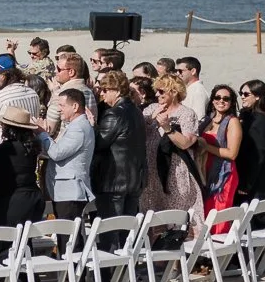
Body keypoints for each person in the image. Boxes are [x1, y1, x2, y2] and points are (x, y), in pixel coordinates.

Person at [141, 74, 203, 225]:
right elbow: (136, 134)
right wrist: (149, 120)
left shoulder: (186, 114)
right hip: (151, 170)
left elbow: (186, 143)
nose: (157, 94)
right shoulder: (151, 108)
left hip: (175, 171)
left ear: (174, 92)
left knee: (175, 215)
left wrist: (168, 128)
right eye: (156, 91)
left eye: (161, 91)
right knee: (150, 214)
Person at [92, 70, 146, 220]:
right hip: (134, 181)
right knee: (126, 233)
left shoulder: (114, 114)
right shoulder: (136, 111)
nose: (102, 94)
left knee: (111, 234)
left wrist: (93, 127)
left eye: (104, 90)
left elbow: (98, 144)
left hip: (113, 182)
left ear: (116, 91)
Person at [38, 88, 94, 225]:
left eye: (62, 105)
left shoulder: (78, 128)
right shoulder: (75, 126)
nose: (59, 109)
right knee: (68, 238)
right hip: (66, 191)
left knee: (69, 238)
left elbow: (56, 153)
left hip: (70, 192)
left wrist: (42, 133)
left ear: (75, 107)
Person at [197, 84, 242, 231]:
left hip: (224, 175)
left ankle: (221, 251)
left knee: (218, 215)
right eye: (217, 97)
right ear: (212, 100)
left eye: (226, 99)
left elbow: (232, 154)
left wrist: (205, 146)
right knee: (205, 214)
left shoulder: (232, 122)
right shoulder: (207, 120)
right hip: (205, 172)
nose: (221, 101)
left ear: (231, 102)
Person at [233, 79, 265, 205]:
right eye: (241, 93)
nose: (242, 96)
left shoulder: (260, 121)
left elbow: (257, 155)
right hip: (246, 178)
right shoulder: (247, 116)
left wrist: (246, 184)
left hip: (255, 185)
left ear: (258, 96)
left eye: (246, 94)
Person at [178, 56, 208, 123]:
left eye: (180, 71)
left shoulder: (198, 91)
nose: (178, 74)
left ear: (193, 71)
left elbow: (199, 119)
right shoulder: (191, 89)